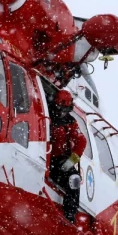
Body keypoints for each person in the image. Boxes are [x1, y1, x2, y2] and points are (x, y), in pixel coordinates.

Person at [49, 89, 86, 222]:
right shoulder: (46, 114)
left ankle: (70, 214)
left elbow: (81, 141)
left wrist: (71, 161)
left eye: (66, 109)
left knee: (74, 179)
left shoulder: (70, 122)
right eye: (60, 108)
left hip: (59, 161)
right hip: (44, 156)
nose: (62, 113)